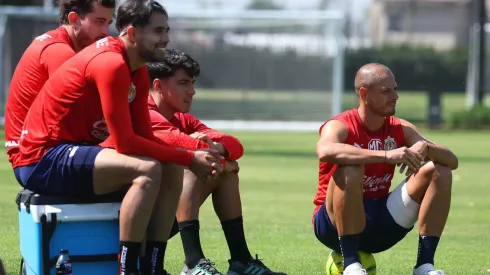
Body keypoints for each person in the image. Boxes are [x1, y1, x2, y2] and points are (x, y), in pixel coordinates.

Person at [16, 1, 223, 275]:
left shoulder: (136, 70)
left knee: (171, 169)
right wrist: (189, 157)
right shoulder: (112, 64)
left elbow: (144, 136)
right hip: (41, 159)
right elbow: (126, 142)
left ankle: (153, 268)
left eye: (167, 30)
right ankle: (128, 269)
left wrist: (184, 159)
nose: (166, 39)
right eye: (158, 31)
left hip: (71, 151)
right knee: (147, 169)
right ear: (133, 33)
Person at [144, 49, 287, 275]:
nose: (192, 91)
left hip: (160, 216)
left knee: (226, 171)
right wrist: (213, 154)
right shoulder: (144, 113)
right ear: (159, 86)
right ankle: (192, 262)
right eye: (183, 83)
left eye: (192, 83)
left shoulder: (181, 118)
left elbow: (235, 144)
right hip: (133, 222)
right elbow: (180, 144)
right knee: (193, 166)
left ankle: (241, 261)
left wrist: (218, 149)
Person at [313, 63, 458, 275]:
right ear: (364, 94)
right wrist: (386, 155)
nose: (395, 96)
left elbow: (452, 161)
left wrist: (427, 147)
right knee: (350, 169)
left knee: (440, 171)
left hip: (380, 221)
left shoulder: (399, 127)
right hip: (331, 226)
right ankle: (351, 264)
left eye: (395, 89)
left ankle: (424, 266)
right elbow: (325, 150)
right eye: (386, 91)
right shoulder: (340, 124)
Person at [5, 0, 115, 178]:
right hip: (38, 157)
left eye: (108, 23)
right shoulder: (60, 52)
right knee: (145, 168)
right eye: (99, 21)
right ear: (74, 19)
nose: (105, 32)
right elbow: (86, 115)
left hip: (39, 152)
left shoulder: (62, 45)